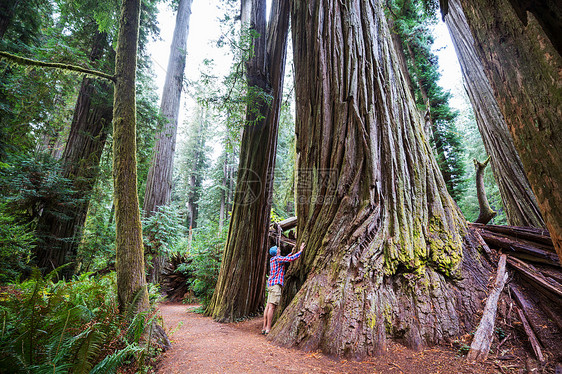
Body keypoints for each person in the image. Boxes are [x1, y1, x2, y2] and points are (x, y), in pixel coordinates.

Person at [262, 242, 304, 335]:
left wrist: (291, 252)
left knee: (268, 306)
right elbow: (290, 259)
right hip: (276, 285)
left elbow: (284, 259)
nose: (279, 249)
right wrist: (300, 251)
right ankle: (268, 328)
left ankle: (264, 327)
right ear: (277, 251)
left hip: (270, 284)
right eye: (278, 249)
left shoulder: (273, 259)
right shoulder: (278, 258)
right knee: (272, 307)